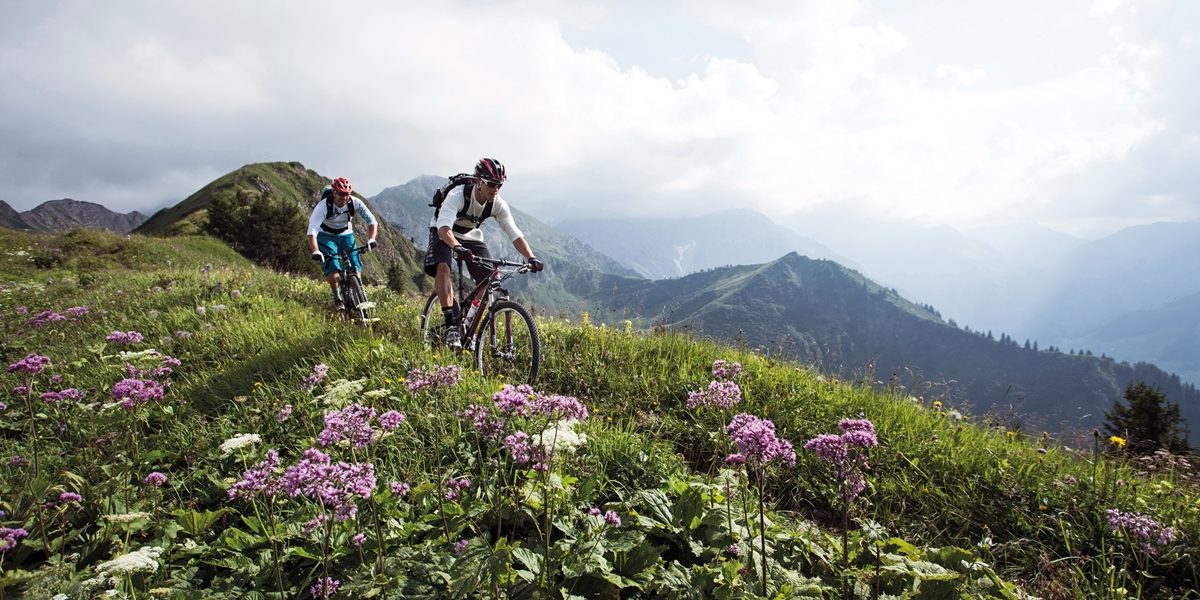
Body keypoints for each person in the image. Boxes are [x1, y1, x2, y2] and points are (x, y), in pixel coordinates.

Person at [424, 157, 544, 348]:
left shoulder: (497, 204)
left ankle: (469, 323)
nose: (495, 189)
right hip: (444, 232)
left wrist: (531, 257)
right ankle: (451, 326)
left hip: (470, 236)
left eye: (499, 185)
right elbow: (443, 228)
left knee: (491, 279)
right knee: (443, 268)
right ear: (478, 181)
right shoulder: (457, 195)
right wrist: (456, 247)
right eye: (491, 184)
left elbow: (514, 233)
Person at [307, 177, 378, 311]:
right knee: (333, 271)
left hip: (346, 234)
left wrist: (371, 239)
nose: (344, 198)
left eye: (347, 194)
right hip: (326, 235)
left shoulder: (355, 202)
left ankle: (359, 294)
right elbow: (312, 230)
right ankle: (338, 299)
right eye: (341, 194)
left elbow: (372, 220)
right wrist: (315, 250)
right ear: (334, 192)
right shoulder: (323, 206)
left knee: (355, 266)